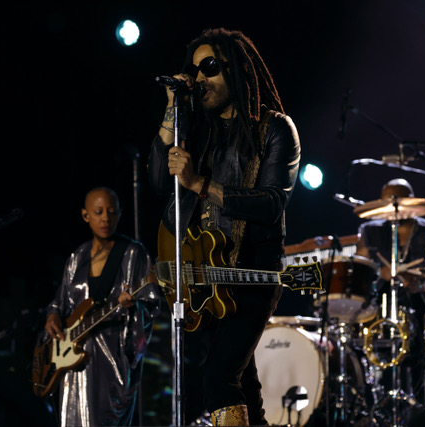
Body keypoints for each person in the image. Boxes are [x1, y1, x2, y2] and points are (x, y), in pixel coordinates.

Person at [148, 28, 301, 426]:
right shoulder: (197, 130)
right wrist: (172, 107)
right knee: (243, 387)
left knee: (218, 377)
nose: (200, 79)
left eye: (210, 67)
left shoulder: (275, 130)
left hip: (252, 275)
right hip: (208, 280)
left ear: (236, 71)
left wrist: (199, 183)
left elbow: (271, 204)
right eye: (194, 70)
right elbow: (158, 181)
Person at [42, 186, 160, 426]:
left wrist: (133, 306)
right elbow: (60, 301)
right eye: (98, 212)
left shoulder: (133, 253)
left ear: (120, 214)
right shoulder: (77, 257)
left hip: (111, 358)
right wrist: (53, 315)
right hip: (71, 360)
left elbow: (151, 302)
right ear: (86, 215)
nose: (106, 217)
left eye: (112, 211)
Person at [355, 178, 425, 403]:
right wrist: (378, 272)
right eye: (389, 202)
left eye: (400, 201)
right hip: (382, 320)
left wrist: (422, 284)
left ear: (413, 203)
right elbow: (358, 277)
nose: (395, 207)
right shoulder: (369, 231)